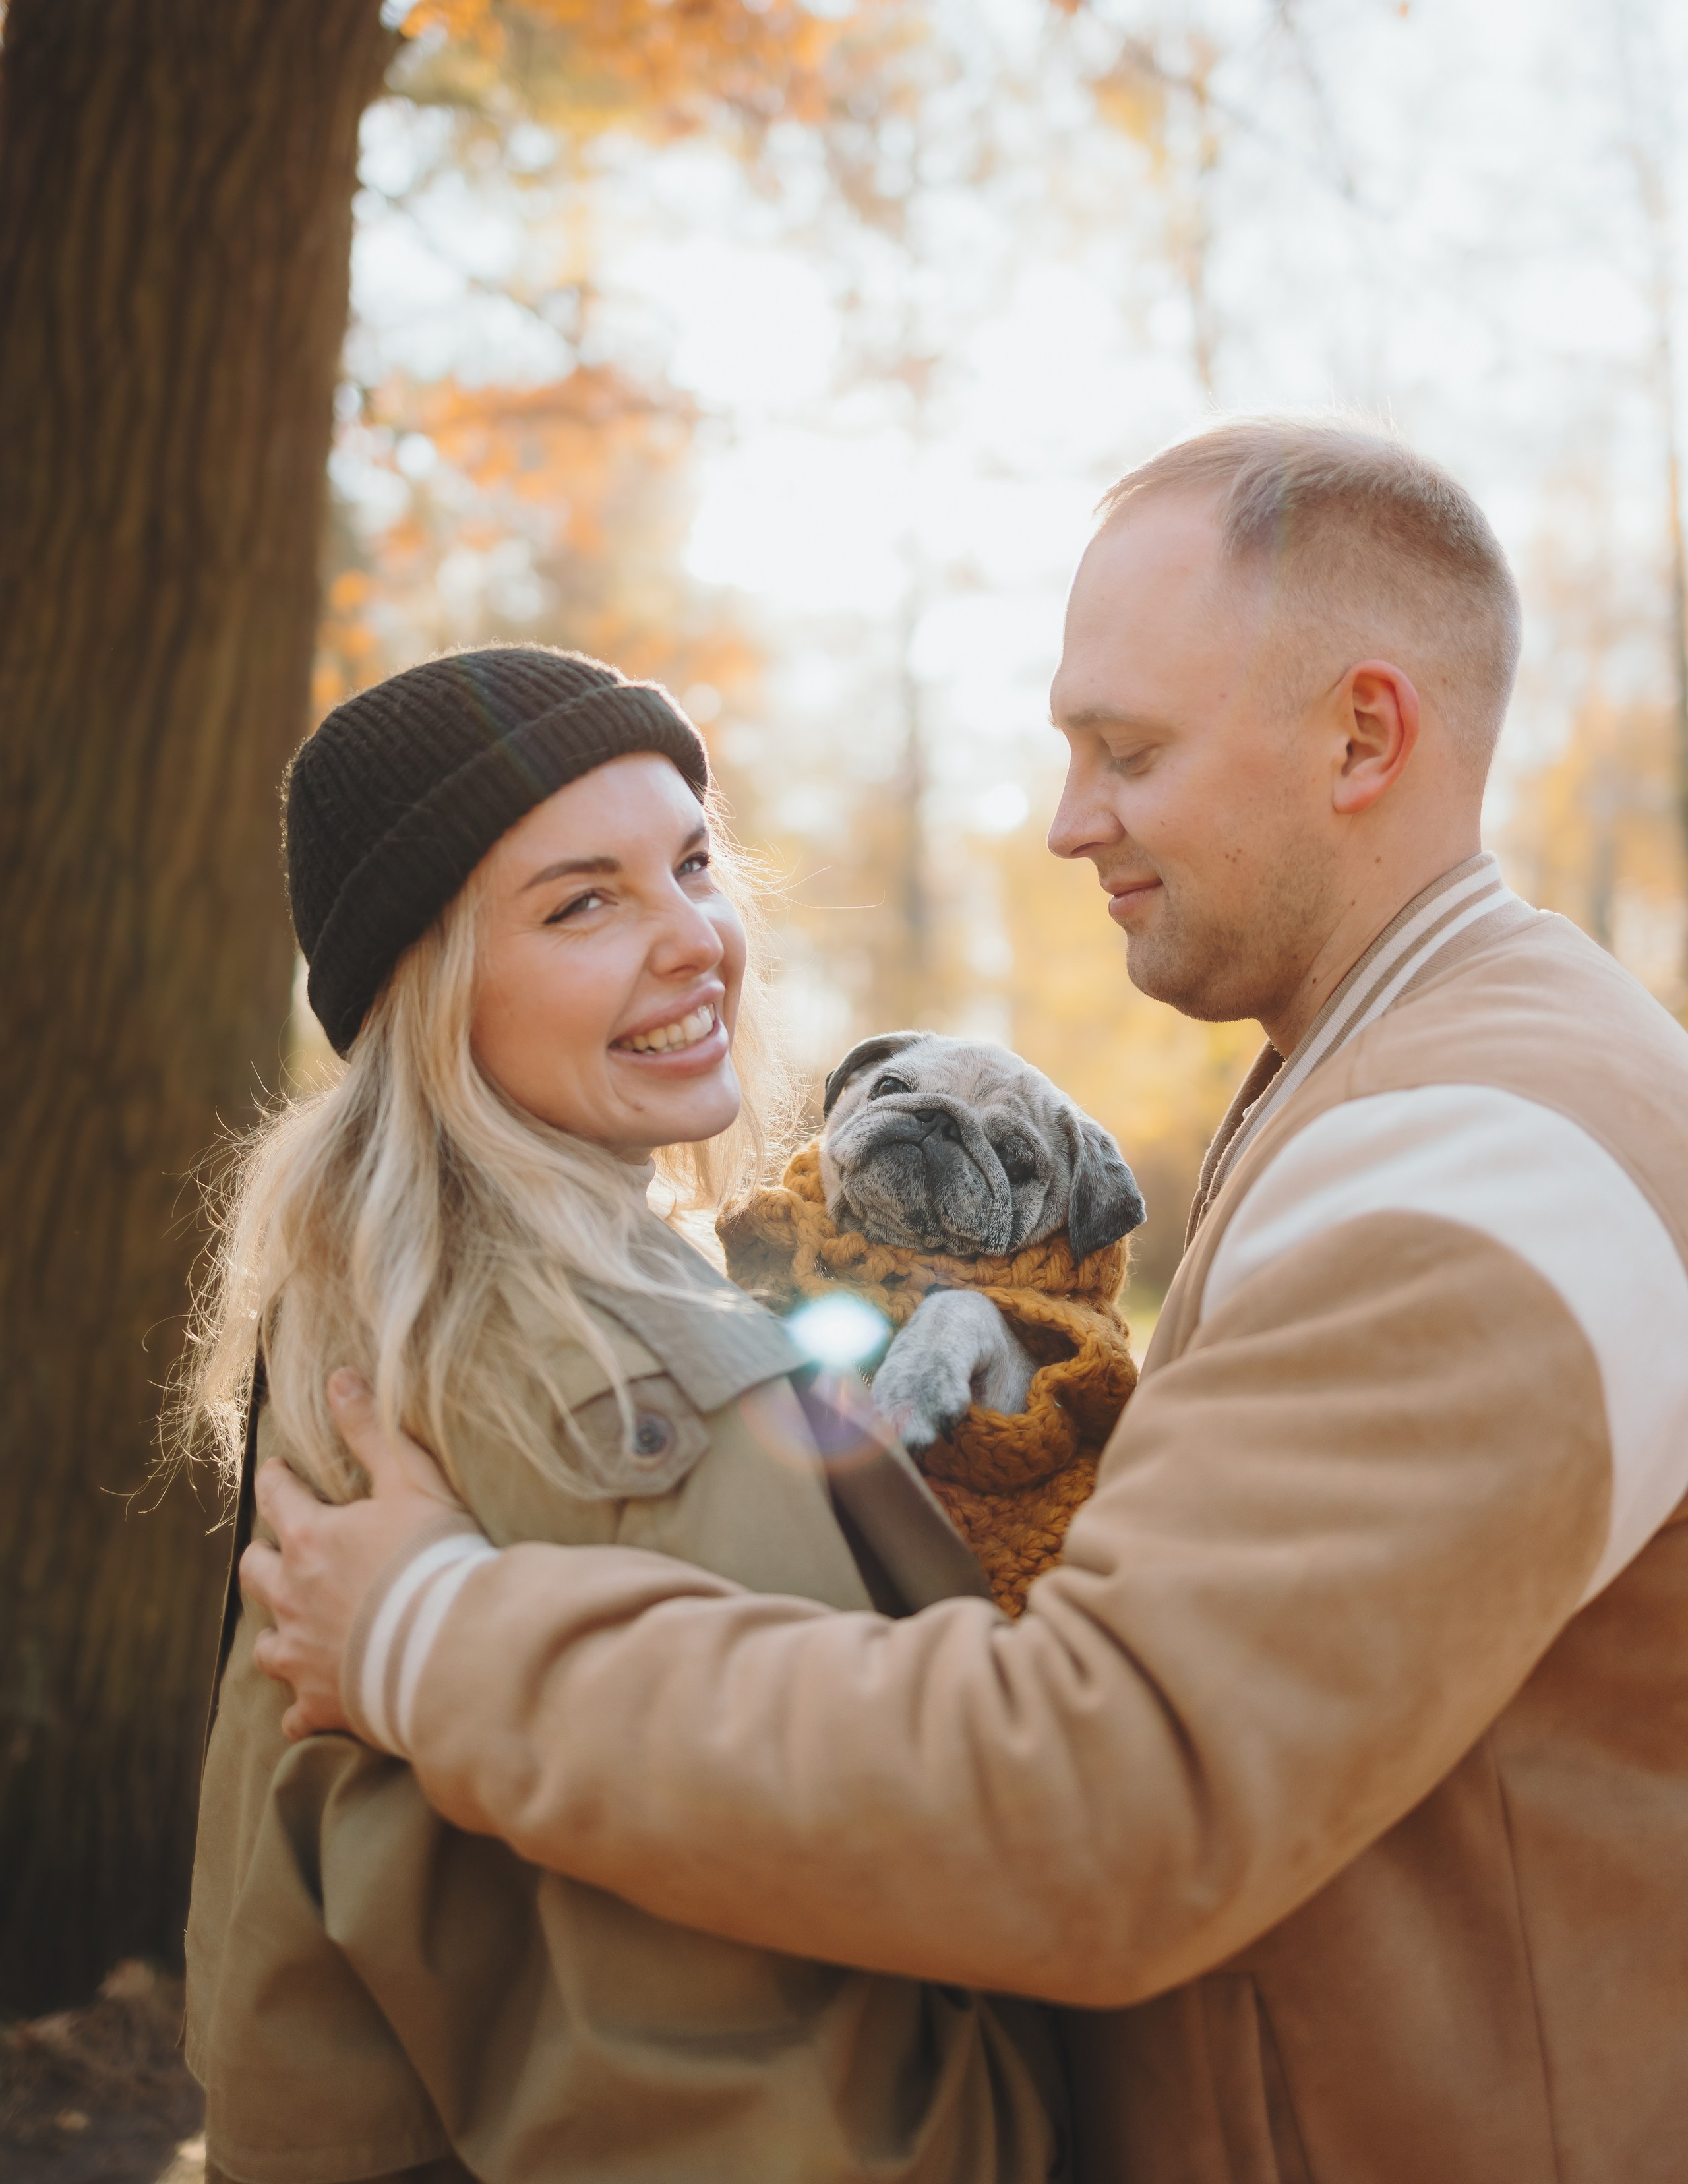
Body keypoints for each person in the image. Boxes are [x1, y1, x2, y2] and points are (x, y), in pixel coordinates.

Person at [249, 419, 1688, 2184]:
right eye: (579, 903)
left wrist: (430, 1635)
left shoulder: (1479, 1167)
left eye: (1128, 753)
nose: (1069, 821)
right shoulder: (1405, 1081)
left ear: (1363, 737)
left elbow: (1109, 1801)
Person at [181, 647, 1066, 2184]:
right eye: (581, 904)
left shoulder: (392, 1277)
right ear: (428, 989)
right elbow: (857, 1819)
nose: (693, 940)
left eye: (692, 864)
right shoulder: (593, 1369)